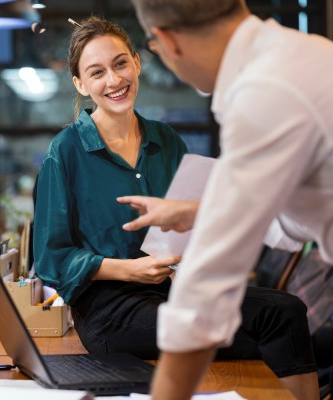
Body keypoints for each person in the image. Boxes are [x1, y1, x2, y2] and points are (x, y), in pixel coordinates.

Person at [33, 15, 318, 399]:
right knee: (270, 333)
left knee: (285, 310)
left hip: (176, 288)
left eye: (120, 64)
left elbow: (198, 224)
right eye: (97, 72)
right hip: (110, 309)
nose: (114, 80)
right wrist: (129, 270)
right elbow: (52, 259)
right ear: (81, 85)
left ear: (136, 62)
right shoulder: (64, 152)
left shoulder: (166, 140)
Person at [117, 0, 333, 399]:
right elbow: (303, 213)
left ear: (166, 41)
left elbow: (209, 284)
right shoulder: (304, 53)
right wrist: (200, 212)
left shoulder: (264, 92)